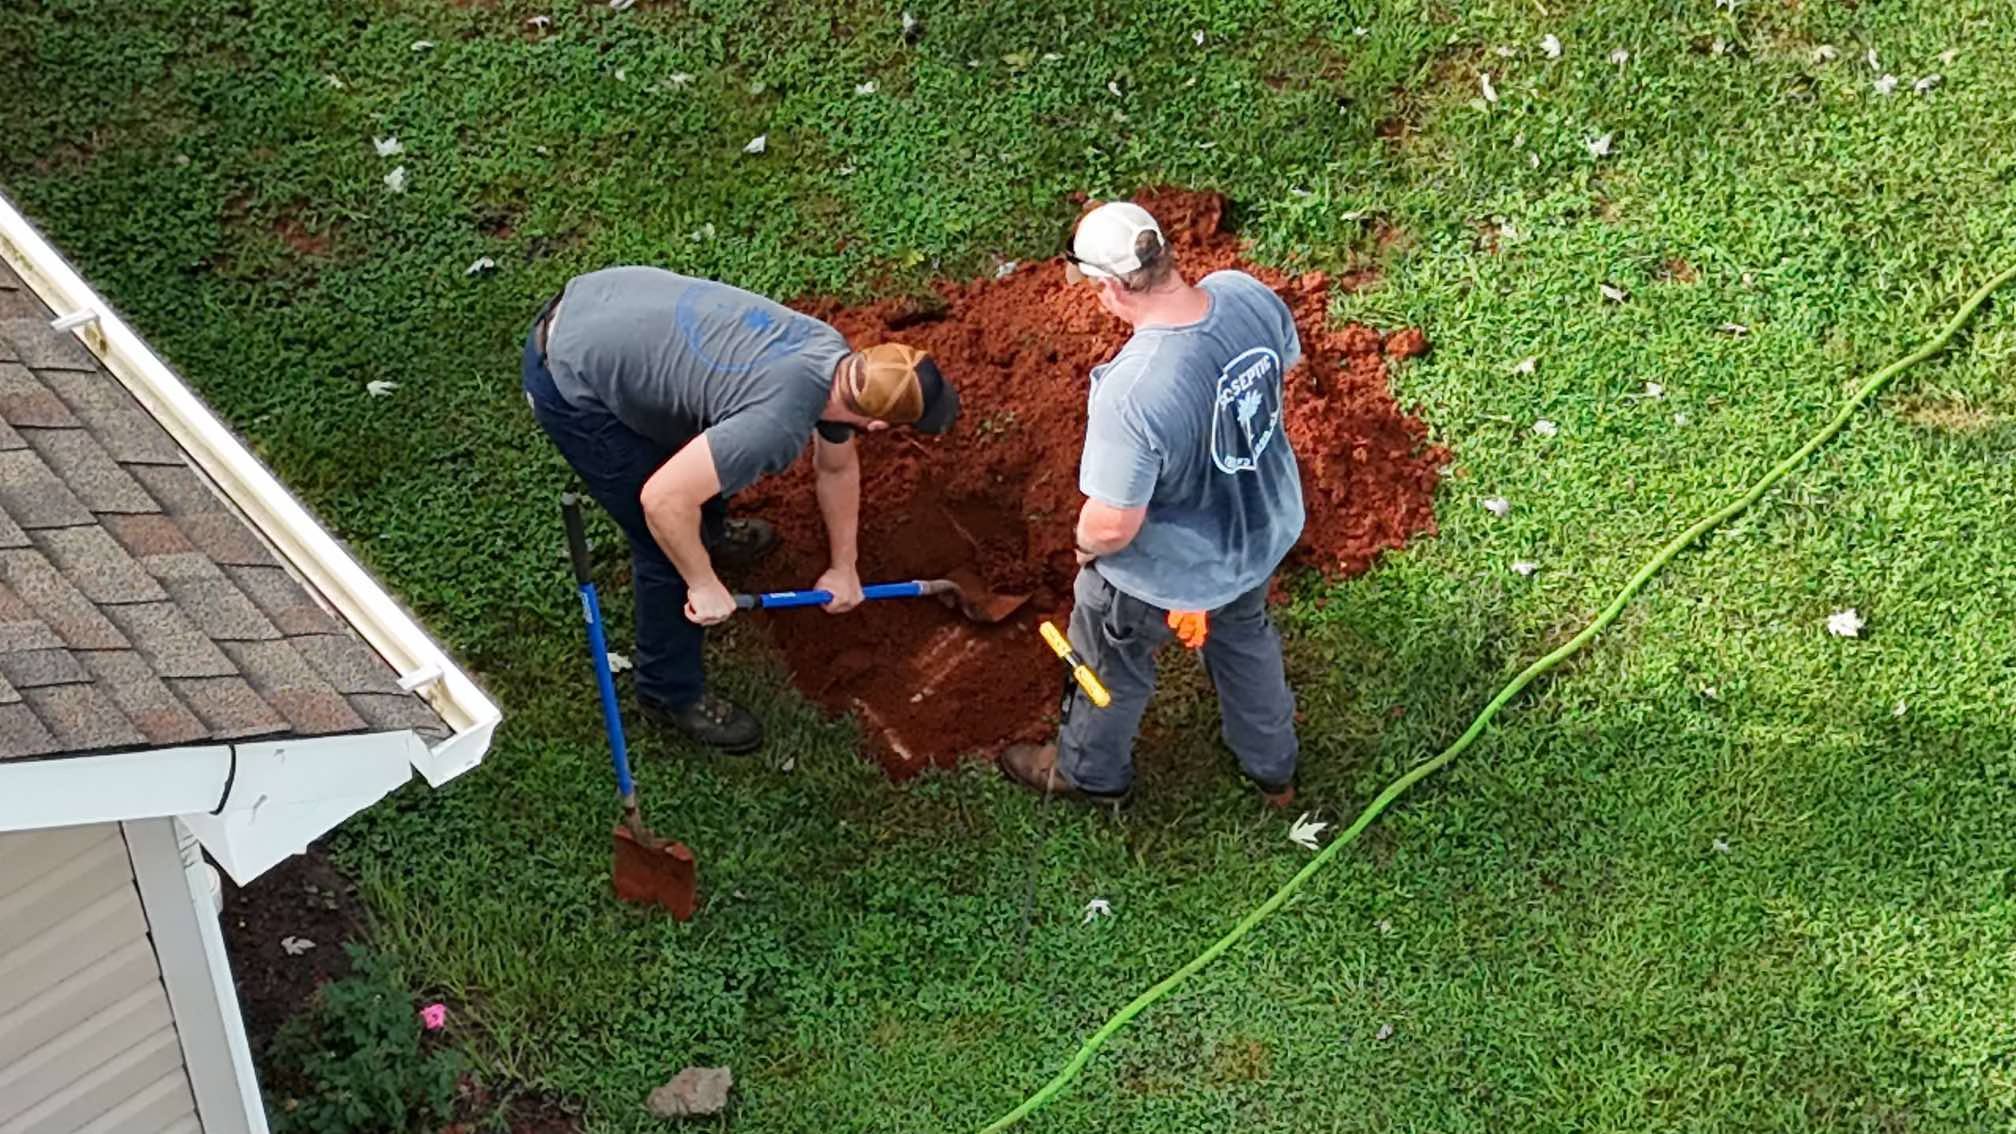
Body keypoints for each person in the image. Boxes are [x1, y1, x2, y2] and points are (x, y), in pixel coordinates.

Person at [524, 268, 959, 754]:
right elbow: (661, 500)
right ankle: (670, 692)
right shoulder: (775, 425)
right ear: (877, 423)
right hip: (569, 376)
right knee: (665, 542)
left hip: (602, 300)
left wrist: (845, 566)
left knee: (700, 467)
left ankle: (706, 536)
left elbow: (836, 469)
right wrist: (702, 583)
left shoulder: (828, 353)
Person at [999, 202, 1304, 808]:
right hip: (1255, 533)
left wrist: (1085, 545)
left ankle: (1087, 772)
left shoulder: (1134, 391)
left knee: (1109, 658)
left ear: (1111, 286)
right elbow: (1276, 371)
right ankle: (1274, 768)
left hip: (1165, 572)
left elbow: (1113, 524)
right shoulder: (1242, 294)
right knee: (1245, 638)